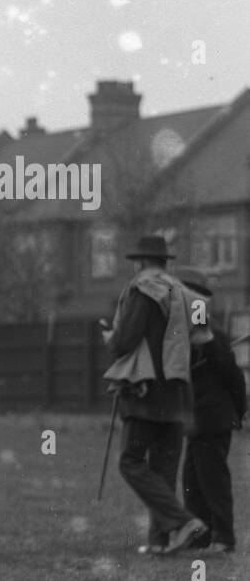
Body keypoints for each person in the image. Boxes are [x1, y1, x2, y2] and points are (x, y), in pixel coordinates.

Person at [103, 235, 207, 555]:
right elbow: (201, 338)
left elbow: (125, 341)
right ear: (164, 262)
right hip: (176, 392)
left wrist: (111, 337)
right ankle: (160, 541)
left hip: (145, 390)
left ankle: (184, 522)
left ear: (141, 262)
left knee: (131, 462)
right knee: (163, 469)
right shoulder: (186, 294)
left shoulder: (143, 290)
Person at [176, 267, 246, 554]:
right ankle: (203, 536)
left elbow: (233, 377)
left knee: (212, 480)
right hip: (198, 421)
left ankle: (224, 538)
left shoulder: (210, 333)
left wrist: (238, 412)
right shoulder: (189, 332)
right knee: (192, 480)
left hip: (213, 419)